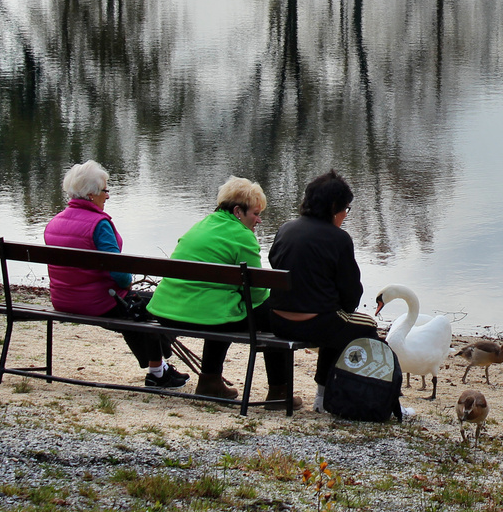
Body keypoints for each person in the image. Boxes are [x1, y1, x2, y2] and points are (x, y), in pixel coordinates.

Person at [147, 177, 298, 406]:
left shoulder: (201, 225)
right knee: (274, 314)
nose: (258, 220)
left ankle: (210, 381)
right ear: (238, 211)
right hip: (203, 316)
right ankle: (279, 392)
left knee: (223, 305)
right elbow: (256, 294)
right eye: (255, 214)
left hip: (166, 311)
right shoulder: (242, 236)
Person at [42, 160, 188, 389]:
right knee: (156, 306)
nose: (107, 196)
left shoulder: (54, 223)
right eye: (105, 190)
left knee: (138, 304)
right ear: (91, 195)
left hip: (63, 299)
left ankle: (160, 369)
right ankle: (158, 372)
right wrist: (128, 282)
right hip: (97, 302)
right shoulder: (98, 225)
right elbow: (120, 275)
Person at [257, 170, 382, 413]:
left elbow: (275, 264)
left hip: (277, 321)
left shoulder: (285, 229)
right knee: (362, 324)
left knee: (333, 317)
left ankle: (278, 391)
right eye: (346, 208)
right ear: (335, 207)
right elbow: (351, 296)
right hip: (318, 324)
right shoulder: (339, 239)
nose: (346, 214)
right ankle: (325, 396)